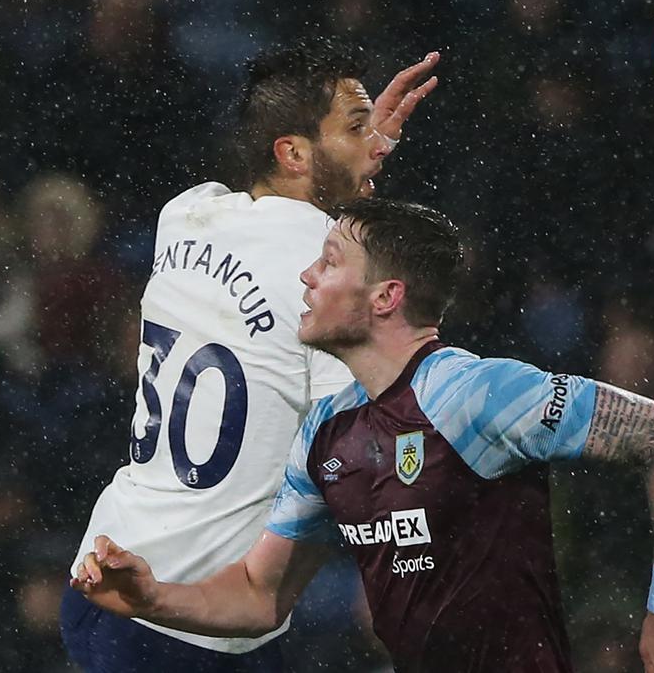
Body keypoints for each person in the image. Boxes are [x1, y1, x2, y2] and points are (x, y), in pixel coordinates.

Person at [72, 198, 654, 673]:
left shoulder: (473, 396)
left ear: (385, 297)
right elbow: (259, 596)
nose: (306, 278)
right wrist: (151, 594)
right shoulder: (326, 432)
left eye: (328, 262)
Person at [61, 41, 440, 671]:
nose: (376, 141)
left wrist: (358, 159)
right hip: (192, 621)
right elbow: (362, 444)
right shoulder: (330, 277)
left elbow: (293, 241)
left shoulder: (185, 213)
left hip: (103, 573)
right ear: (292, 153)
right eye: (356, 127)